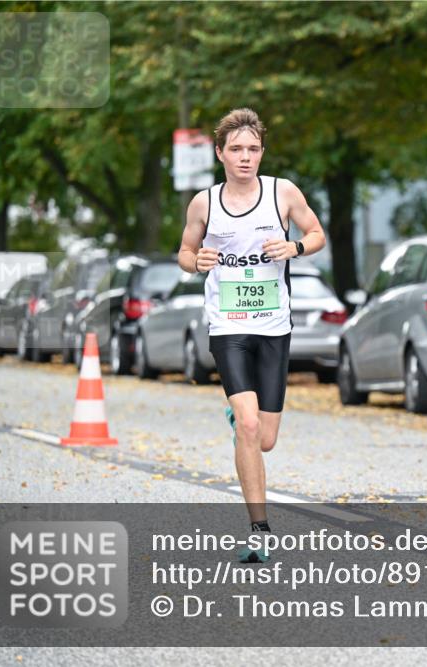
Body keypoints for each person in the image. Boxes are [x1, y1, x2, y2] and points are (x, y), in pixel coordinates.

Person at [178, 108, 326, 561]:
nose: (246, 157)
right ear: (220, 153)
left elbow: (317, 232)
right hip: (228, 327)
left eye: (253, 149)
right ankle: (259, 530)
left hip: (273, 327)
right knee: (248, 424)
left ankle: (242, 423)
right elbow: (185, 251)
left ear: (262, 152)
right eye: (236, 149)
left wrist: (295, 247)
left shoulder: (282, 193)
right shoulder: (205, 202)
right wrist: (195, 261)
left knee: (265, 439)